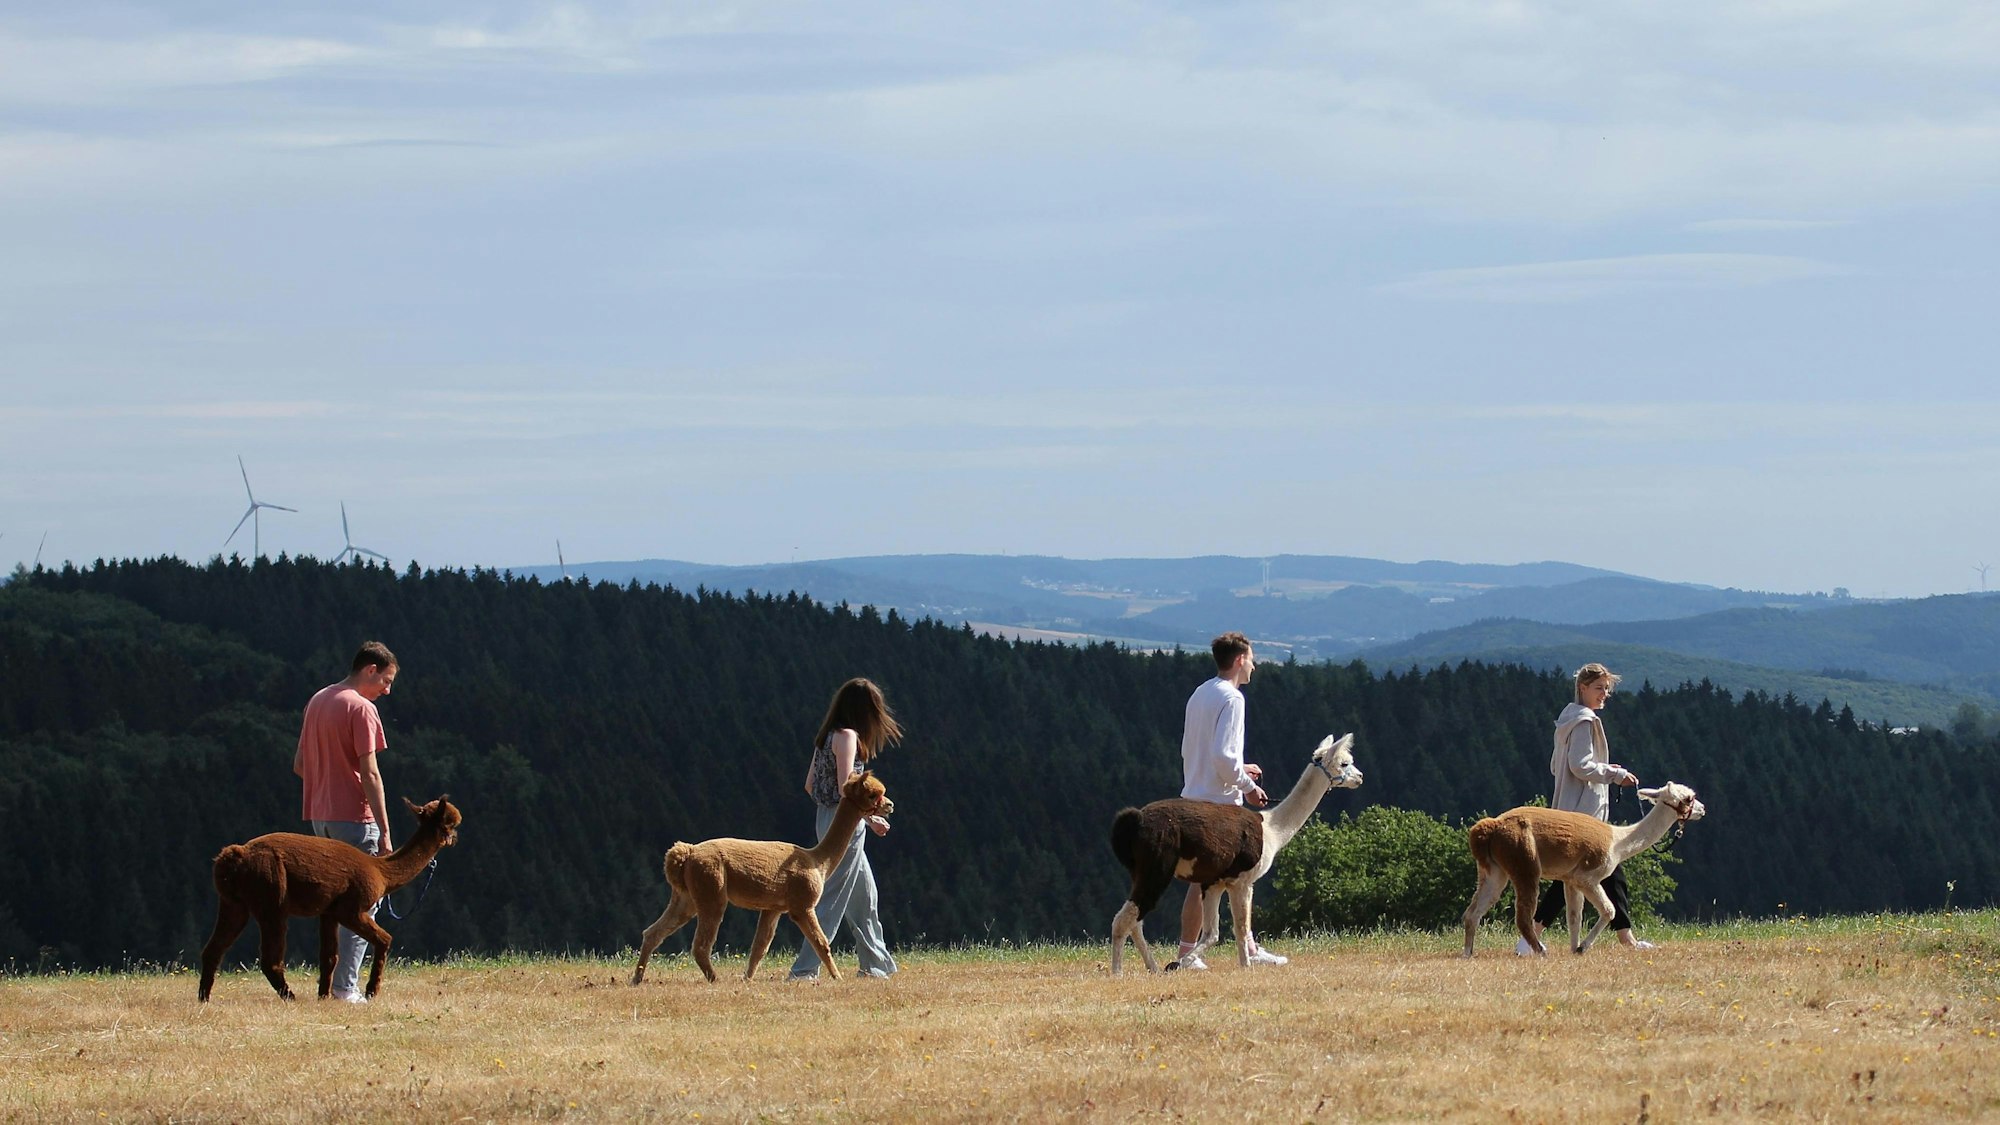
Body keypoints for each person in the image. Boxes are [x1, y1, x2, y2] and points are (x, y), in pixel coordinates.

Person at [1520, 662, 1653, 954]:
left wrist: (1603, 767)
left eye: (1607, 689)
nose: (1604, 694)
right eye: (1599, 688)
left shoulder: (1566, 720)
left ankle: (1626, 938)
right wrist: (1615, 774)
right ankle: (1529, 938)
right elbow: (1580, 766)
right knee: (1572, 878)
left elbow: (1557, 766)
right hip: (1585, 815)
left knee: (1611, 873)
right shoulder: (1584, 721)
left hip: (1568, 809)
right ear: (1583, 687)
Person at [293, 641, 399, 1002]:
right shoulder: (362, 709)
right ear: (370, 669)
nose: (387, 690)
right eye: (386, 681)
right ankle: (344, 988)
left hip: (320, 817)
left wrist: (328, 781)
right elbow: (370, 774)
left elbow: (299, 765)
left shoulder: (318, 700)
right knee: (361, 906)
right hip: (355, 818)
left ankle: (332, 984)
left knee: (333, 906)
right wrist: (385, 832)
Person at [1173, 631, 1279, 971]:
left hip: (1193, 796)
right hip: (1220, 806)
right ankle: (1202, 955)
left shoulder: (1201, 693)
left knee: (1201, 881)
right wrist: (1248, 786)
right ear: (1239, 659)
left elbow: (1195, 749)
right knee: (1235, 879)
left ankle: (1194, 952)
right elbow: (1221, 755)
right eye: (1252, 660)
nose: (1254, 667)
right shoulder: (1233, 699)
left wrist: (1238, 767)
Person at [788, 677, 903, 980]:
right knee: (832, 898)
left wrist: (830, 812)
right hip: (846, 823)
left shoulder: (827, 737)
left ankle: (875, 966)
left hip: (826, 819)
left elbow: (810, 785)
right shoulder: (849, 737)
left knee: (865, 898)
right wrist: (870, 818)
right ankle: (803, 971)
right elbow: (847, 788)